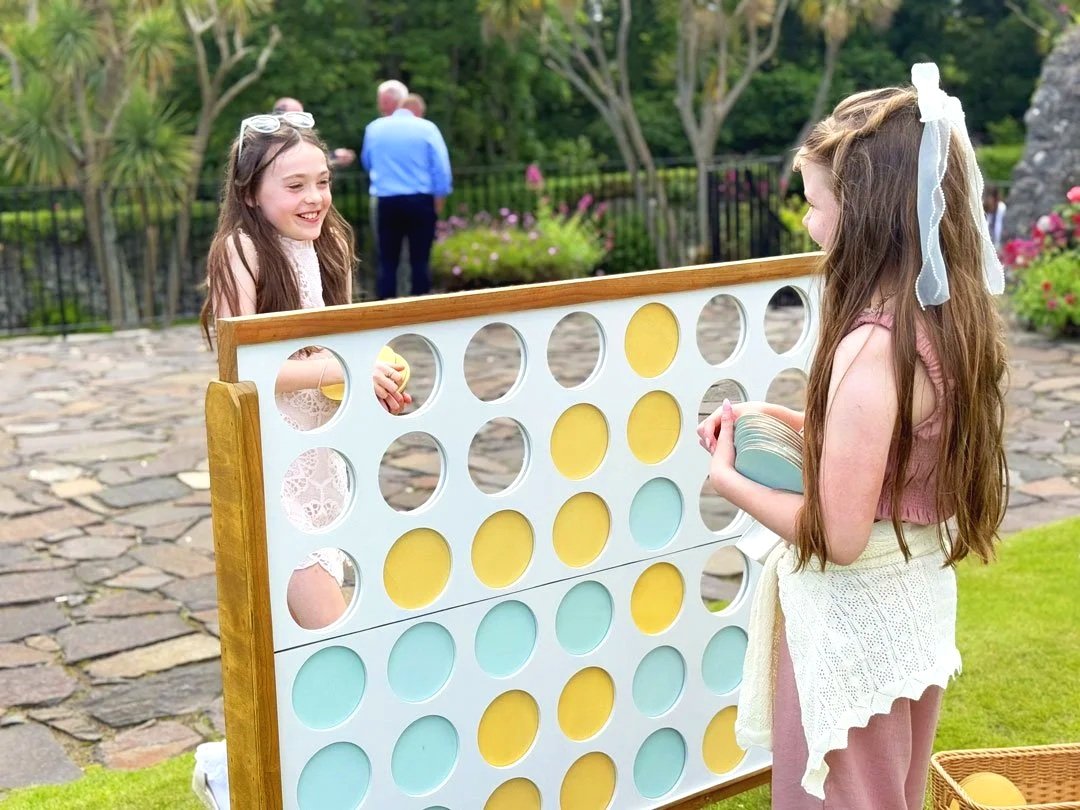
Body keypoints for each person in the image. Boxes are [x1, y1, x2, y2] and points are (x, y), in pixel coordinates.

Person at [698, 63, 1007, 809]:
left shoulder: (871, 349)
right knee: (888, 790)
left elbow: (835, 534)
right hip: (910, 605)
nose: (808, 223)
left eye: (815, 203)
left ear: (863, 211)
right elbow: (896, 450)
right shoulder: (939, 322)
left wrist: (729, 482)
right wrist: (779, 420)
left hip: (854, 631)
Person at [192, 111, 411, 810]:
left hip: (323, 463)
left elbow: (329, 345)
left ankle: (237, 767)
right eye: (295, 185)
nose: (314, 197)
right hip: (273, 470)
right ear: (252, 190)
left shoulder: (327, 245)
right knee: (329, 634)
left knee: (309, 642)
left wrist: (374, 375)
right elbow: (241, 361)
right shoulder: (242, 252)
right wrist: (342, 369)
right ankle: (241, 772)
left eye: (321, 181)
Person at [362, 84, 452, 299]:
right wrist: (440, 195)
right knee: (420, 260)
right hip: (420, 200)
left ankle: (386, 308)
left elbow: (367, 162)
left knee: (387, 260)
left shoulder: (374, 128)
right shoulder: (427, 128)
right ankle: (421, 308)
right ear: (417, 110)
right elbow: (441, 167)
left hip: (387, 200)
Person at [272, 95, 355, 168]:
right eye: (297, 114)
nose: (301, 119)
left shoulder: (298, 136)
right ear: (279, 114)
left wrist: (334, 156)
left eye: (302, 114)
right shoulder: (269, 139)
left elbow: (309, 161)